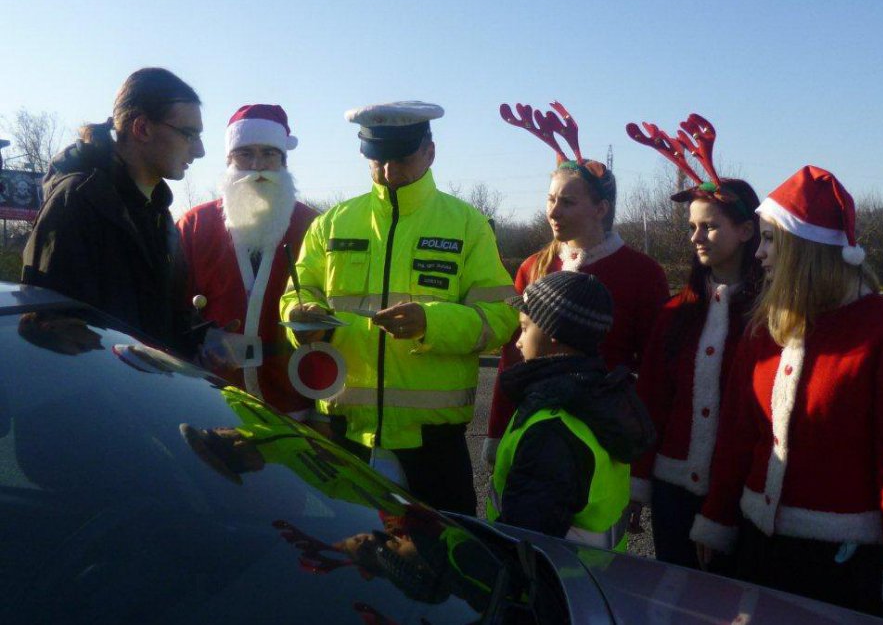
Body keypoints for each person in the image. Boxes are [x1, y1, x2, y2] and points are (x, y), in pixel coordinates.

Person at [691, 166, 883, 622]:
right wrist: (717, 518)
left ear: (805, 250)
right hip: (757, 546)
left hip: (841, 563)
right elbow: (737, 438)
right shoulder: (765, 327)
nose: (759, 254)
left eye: (770, 241)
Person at [280, 101, 518, 514]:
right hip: (345, 433)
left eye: (401, 158)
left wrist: (431, 322)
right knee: (352, 558)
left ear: (429, 151)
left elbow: (500, 318)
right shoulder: (331, 223)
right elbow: (296, 294)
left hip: (434, 444)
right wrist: (300, 317)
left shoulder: (466, 224)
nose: (388, 171)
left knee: (447, 561)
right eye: (377, 159)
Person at [483, 101, 668, 464]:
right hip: (532, 432)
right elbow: (512, 362)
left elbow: (652, 373)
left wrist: (640, 463)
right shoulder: (534, 267)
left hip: (603, 441)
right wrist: (497, 433)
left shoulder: (642, 274)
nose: (553, 212)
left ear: (601, 209)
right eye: (550, 199)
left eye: (567, 202)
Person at [625, 114, 761, 569]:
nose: (697, 238)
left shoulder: (769, 317)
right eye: (692, 227)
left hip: (742, 494)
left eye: (710, 226)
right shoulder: (676, 313)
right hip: (673, 487)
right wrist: (638, 483)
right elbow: (653, 400)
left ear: (746, 231)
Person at [22, 67, 205, 355]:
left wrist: (202, 340)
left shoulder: (157, 212)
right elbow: (52, 332)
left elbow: (156, 325)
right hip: (106, 397)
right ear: (142, 128)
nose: (200, 150)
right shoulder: (77, 201)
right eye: (189, 134)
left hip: (151, 394)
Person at [487, 271, 655, 551]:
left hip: (554, 584)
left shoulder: (552, 429)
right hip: (594, 578)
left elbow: (525, 541)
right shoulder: (597, 398)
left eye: (525, 327)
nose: (518, 341)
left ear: (553, 333)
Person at [177, 104, 317, 417]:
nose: (258, 167)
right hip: (213, 399)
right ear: (228, 160)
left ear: (284, 161)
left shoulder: (312, 225)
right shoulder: (194, 225)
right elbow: (170, 306)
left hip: (295, 399)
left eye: (269, 154)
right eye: (245, 154)